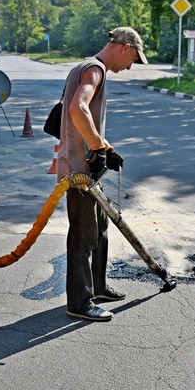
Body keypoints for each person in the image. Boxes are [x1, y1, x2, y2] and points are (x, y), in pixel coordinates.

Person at [57, 27, 149, 321]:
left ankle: (97, 286)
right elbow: (77, 108)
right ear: (125, 47)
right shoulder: (95, 69)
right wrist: (98, 148)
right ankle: (80, 302)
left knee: (100, 229)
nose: (131, 66)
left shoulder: (83, 67)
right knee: (83, 236)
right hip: (80, 171)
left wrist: (105, 149)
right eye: (134, 58)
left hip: (85, 166)